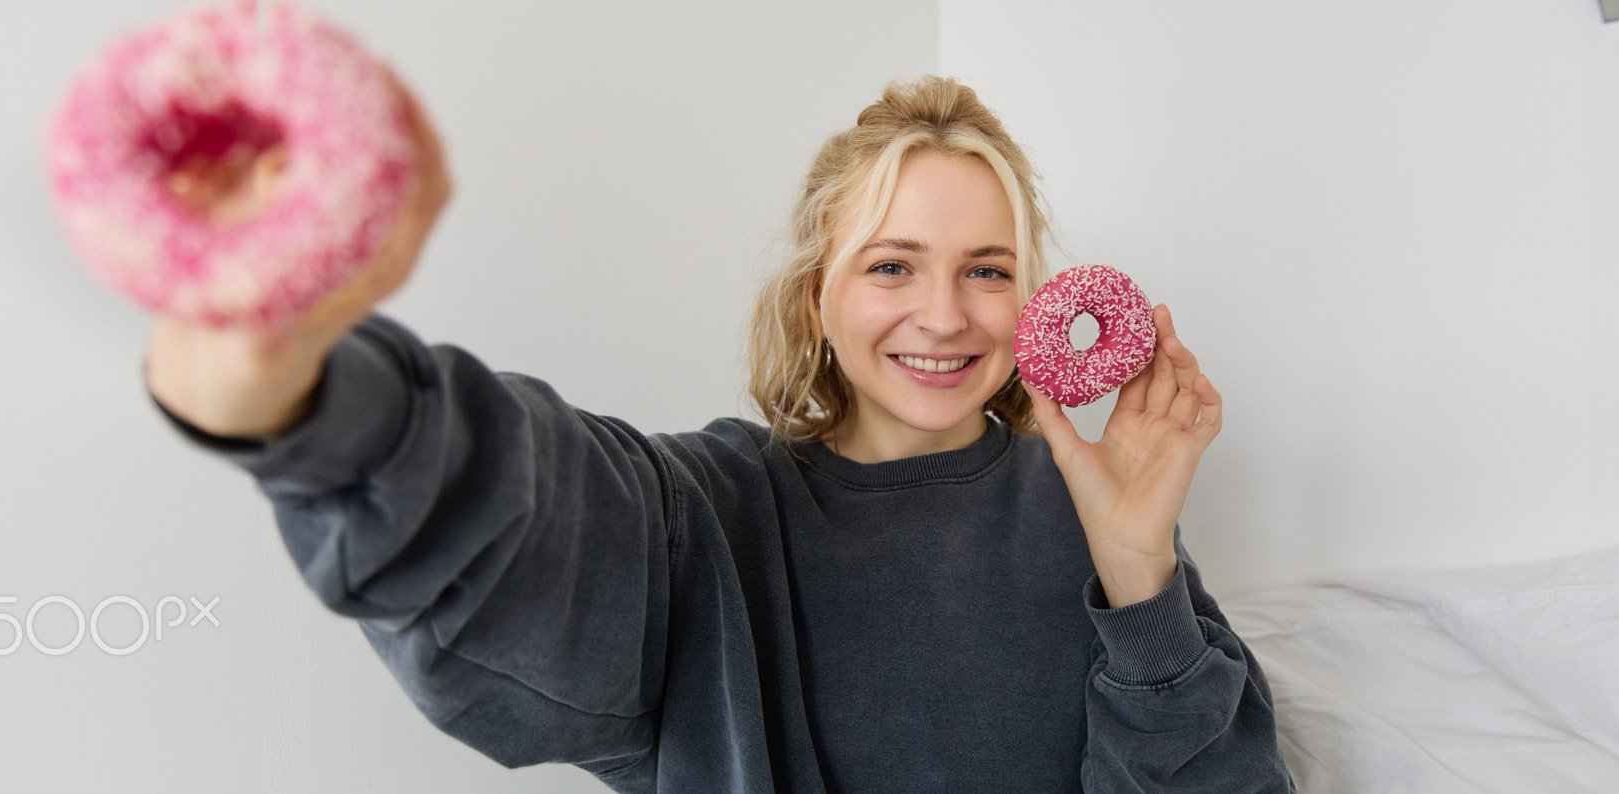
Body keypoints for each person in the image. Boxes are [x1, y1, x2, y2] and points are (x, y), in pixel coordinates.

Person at [145, 74, 1295, 793]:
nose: (943, 314)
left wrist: (1140, 568)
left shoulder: (1088, 510)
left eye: (985, 271)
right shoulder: (710, 509)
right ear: (818, 301)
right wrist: (306, 395)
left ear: (1028, 300)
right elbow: (538, 521)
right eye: (891, 265)